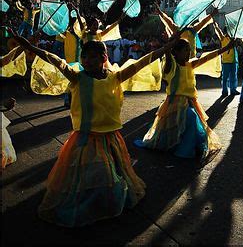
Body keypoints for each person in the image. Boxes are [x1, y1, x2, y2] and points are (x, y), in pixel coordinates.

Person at [12, 31, 179, 227]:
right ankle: (90, 204)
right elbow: (56, 61)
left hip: (110, 137)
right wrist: (31, 47)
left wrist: (166, 48)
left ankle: (105, 201)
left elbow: (140, 63)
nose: (87, 60)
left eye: (92, 57)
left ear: (104, 58)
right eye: (84, 56)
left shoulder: (114, 78)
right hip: (85, 138)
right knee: (88, 176)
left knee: (109, 174)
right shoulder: (77, 78)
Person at [135, 37, 234, 160]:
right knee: (191, 119)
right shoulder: (172, 66)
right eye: (185, 50)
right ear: (176, 52)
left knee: (194, 124)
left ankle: (187, 146)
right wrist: (167, 48)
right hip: (175, 104)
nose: (188, 53)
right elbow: (167, 67)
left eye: (189, 50)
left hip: (190, 102)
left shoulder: (190, 65)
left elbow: (207, 57)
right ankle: (184, 150)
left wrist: (226, 48)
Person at [213, 20, 239, 96]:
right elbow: (218, 31)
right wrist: (216, 25)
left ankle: (233, 90)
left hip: (233, 61)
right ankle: (225, 91)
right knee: (225, 78)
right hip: (226, 62)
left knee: (233, 77)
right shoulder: (223, 38)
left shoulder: (233, 39)